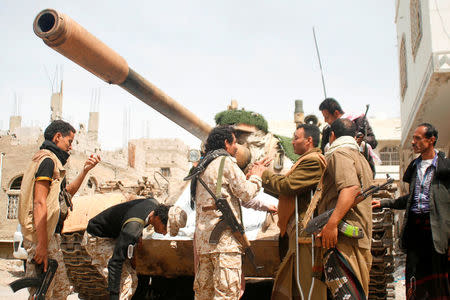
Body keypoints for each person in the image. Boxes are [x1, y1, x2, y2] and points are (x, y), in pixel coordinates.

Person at [18, 120, 101, 299]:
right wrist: (41, 245)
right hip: (41, 236)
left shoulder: (53, 162)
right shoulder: (47, 161)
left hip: (50, 237)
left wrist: (85, 171)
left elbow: (64, 196)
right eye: (69, 141)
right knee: (43, 292)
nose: (70, 147)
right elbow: (39, 202)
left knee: (60, 291)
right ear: (57, 137)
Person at [189, 125, 268, 300]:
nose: (236, 148)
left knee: (204, 295)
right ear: (226, 143)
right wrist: (256, 175)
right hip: (224, 245)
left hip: (204, 245)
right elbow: (246, 192)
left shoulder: (202, 165)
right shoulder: (225, 162)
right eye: (235, 143)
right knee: (227, 295)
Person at [372, 123, 449, 299]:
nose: (413, 142)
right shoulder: (415, 166)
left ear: (431, 140)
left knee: (439, 282)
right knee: (415, 278)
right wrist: (386, 202)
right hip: (415, 231)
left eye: (418, 138)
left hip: (437, 232)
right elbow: (411, 199)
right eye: (413, 138)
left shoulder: (445, 167)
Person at [261, 124, 327, 300]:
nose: (293, 142)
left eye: (296, 138)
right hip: (296, 232)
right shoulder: (304, 160)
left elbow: (288, 186)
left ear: (309, 141)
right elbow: (286, 189)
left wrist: (263, 175)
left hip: (305, 233)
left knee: (306, 283)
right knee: (295, 282)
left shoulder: (313, 161)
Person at [83, 198, 187, 300]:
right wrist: (114, 294)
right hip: (98, 238)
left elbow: (135, 215)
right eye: (165, 229)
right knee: (127, 283)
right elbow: (115, 262)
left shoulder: (153, 204)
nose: (164, 233)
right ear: (158, 219)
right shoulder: (133, 228)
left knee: (135, 277)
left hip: (115, 234)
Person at [315, 118, 373, 299]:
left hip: (344, 240)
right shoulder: (360, 157)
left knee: (346, 294)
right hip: (357, 237)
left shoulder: (339, 154)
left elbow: (350, 188)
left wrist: (331, 225)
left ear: (332, 135)